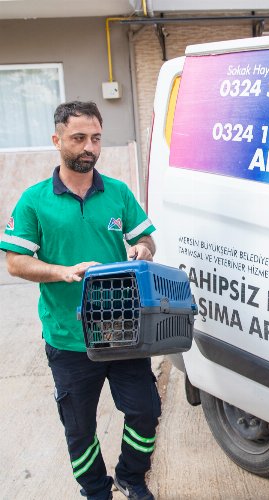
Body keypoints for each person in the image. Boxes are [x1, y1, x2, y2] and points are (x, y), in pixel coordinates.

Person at [1, 101, 159, 500]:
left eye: (96, 138)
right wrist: (62, 271)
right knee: (79, 427)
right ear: (57, 140)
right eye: (79, 138)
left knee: (145, 411)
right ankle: (96, 490)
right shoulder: (34, 200)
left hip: (124, 329)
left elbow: (145, 237)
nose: (90, 147)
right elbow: (15, 262)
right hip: (69, 336)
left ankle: (131, 476)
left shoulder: (118, 193)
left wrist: (143, 248)